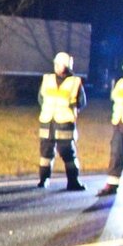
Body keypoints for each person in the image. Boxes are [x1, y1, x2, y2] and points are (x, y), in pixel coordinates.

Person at [37, 51, 87, 190]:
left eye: (59, 64)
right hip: (47, 122)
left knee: (68, 154)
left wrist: (70, 110)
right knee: (45, 154)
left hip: (64, 124)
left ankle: (73, 181)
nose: (57, 66)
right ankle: (43, 179)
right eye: (56, 64)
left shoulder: (75, 82)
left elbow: (81, 102)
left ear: (66, 66)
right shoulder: (47, 79)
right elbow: (41, 98)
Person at [97, 56, 123, 196]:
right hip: (119, 126)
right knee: (116, 155)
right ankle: (112, 184)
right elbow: (115, 98)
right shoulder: (121, 83)